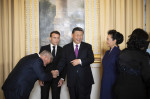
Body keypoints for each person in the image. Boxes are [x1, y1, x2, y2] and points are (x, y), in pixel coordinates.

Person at [52, 27, 94, 99]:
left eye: (81, 35)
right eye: (77, 35)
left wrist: (80, 61)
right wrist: (57, 70)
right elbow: (62, 62)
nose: (79, 37)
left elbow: (91, 59)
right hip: (72, 80)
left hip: (85, 80)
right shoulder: (66, 48)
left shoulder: (87, 46)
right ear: (72, 35)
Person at [114, 28, 150, 99]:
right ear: (142, 42)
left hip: (120, 90)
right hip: (136, 92)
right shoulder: (143, 56)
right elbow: (147, 78)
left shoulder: (123, 53)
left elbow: (118, 70)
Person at [39, 31, 66, 99]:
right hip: (45, 77)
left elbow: (64, 65)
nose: (56, 40)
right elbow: (39, 64)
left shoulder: (62, 50)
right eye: (54, 38)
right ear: (50, 38)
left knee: (56, 97)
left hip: (57, 78)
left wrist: (62, 78)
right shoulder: (43, 48)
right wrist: (40, 77)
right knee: (44, 96)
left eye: (58, 38)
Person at [100, 30, 124, 99]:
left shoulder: (119, 53)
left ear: (114, 41)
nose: (106, 41)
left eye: (108, 39)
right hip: (105, 80)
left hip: (113, 81)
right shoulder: (107, 52)